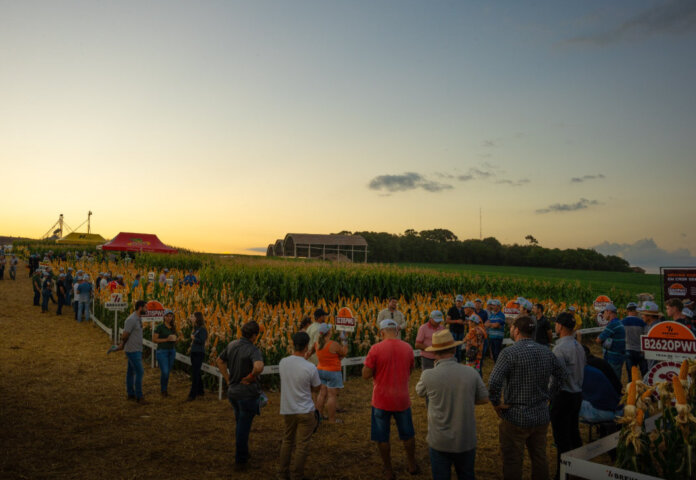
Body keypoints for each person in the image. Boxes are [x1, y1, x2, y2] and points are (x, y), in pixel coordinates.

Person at [488, 316, 568, 480]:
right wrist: (549, 396)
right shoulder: (546, 351)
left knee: (512, 461)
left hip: (515, 415)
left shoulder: (509, 353)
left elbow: (494, 382)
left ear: (516, 330)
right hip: (540, 415)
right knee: (539, 458)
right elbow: (562, 376)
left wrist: (496, 404)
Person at [416, 329, 489, 480]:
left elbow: (420, 392)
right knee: (467, 475)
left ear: (435, 353)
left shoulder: (428, 375)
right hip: (465, 439)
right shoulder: (471, 373)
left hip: (439, 440)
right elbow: (484, 398)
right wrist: (464, 398)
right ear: (455, 349)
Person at [362, 319, 419, 480]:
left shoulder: (375, 349)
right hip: (402, 398)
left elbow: (366, 375)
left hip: (381, 400)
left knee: (382, 436)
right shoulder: (408, 348)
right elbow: (411, 368)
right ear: (397, 331)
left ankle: (388, 470)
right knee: (408, 434)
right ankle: (412, 464)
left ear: (381, 332)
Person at [216, 320, 265, 469]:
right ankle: (241, 459)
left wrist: (227, 378)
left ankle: (244, 451)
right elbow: (259, 366)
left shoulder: (232, 345)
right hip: (246, 394)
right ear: (254, 335)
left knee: (240, 423)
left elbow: (219, 361)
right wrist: (251, 377)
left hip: (233, 393)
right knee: (243, 427)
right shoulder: (253, 349)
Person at [278, 332, 322, 480]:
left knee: (287, 441)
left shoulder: (283, 362)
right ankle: (297, 475)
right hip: (305, 410)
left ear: (292, 344)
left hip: (288, 409)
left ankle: (282, 474)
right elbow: (317, 388)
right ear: (306, 346)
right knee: (302, 444)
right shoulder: (310, 367)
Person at [550, 313, 586, 480]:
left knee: (562, 439)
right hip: (577, 394)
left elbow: (557, 377)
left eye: (556, 324)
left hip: (563, 396)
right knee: (573, 433)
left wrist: (551, 396)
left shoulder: (559, 349)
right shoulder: (579, 347)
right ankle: (578, 470)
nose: (555, 327)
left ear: (560, 327)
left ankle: (562, 474)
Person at [309, 322, 348, 424]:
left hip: (320, 370)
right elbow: (344, 352)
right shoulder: (333, 344)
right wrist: (345, 341)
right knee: (332, 396)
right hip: (333, 372)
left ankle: (319, 416)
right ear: (329, 332)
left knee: (322, 394)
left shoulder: (317, 343)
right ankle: (332, 420)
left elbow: (309, 352)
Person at [116, 300, 147, 404]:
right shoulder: (131, 319)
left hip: (136, 349)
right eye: (145, 308)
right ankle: (139, 396)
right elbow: (125, 334)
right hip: (133, 350)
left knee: (130, 372)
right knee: (140, 372)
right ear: (140, 308)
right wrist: (122, 344)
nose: (146, 309)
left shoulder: (138, 319)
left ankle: (130, 393)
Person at [595, 304, 626, 381]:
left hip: (613, 358)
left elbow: (598, 340)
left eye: (604, 312)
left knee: (613, 380)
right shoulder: (619, 322)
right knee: (615, 379)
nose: (603, 315)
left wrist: (601, 340)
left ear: (609, 312)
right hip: (618, 357)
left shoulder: (613, 324)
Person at [153, 309, 177, 397]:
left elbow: (175, 340)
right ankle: (163, 389)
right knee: (165, 371)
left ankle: (164, 389)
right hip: (162, 351)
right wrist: (166, 339)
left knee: (167, 371)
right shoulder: (159, 327)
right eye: (167, 316)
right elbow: (154, 339)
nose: (169, 318)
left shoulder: (173, 327)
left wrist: (177, 339)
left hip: (172, 351)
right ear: (164, 317)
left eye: (170, 316)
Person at [622, 303, 648, 378]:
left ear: (627, 311)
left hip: (628, 349)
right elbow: (646, 336)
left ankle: (632, 389)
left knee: (631, 375)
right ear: (636, 311)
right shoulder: (642, 322)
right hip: (641, 350)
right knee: (645, 373)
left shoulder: (622, 322)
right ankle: (645, 388)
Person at [187, 311, 208, 401]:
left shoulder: (202, 329)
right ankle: (200, 391)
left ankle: (192, 394)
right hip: (194, 351)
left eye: (192, 316)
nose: (191, 318)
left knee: (195, 373)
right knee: (197, 371)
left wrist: (194, 338)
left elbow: (202, 340)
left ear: (197, 318)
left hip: (199, 352)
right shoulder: (195, 328)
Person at [462, 303, 487, 376]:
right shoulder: (480, 330)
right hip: (478, 354)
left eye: (469, 321)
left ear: (473, 322)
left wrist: (464, 340)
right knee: (477, 369)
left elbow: (466, 340)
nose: (468, 323)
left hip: (471, 354)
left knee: (470, 371)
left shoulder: (472, 331)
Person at [446, 295, 467, 362]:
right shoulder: (451, 309)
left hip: (461, 331)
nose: (458, 303)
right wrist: (457, 321)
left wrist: (463, 322)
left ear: (462, 302)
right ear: (455, 301)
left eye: (460, 301)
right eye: (457, 301)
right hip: (453, 331)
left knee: (459, 348)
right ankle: (453, 362)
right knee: (453, 348)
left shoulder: (464, 310)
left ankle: (459, 362)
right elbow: (447, 320)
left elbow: (466, 320)